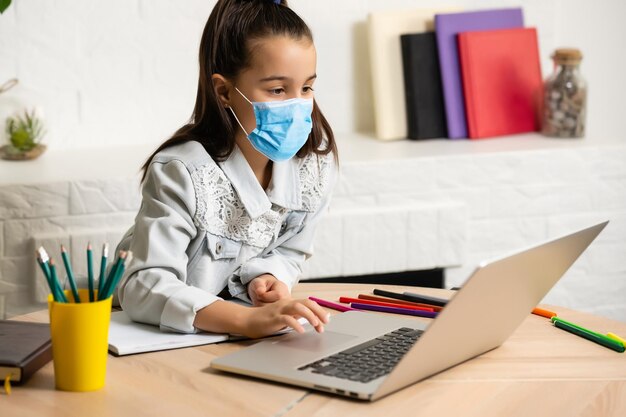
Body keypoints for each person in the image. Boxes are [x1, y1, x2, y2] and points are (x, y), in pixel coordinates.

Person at [114, 0, 337, 338]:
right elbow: (144, 285)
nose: (297, 105)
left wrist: (270, 278)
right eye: (277, 90)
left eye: (306, 87)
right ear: (224, 92)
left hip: (231, 345)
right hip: (161, 341)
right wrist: (245, 321)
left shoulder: (313, 170)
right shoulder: (182, 172)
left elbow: (290, 250)